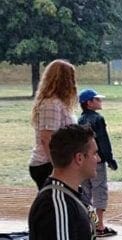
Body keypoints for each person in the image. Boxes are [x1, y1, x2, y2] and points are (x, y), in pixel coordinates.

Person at [29, 59, 78, 190]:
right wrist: (57, 166)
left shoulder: (59, 103)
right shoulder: (51, 104)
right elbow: (46, 138)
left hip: (57, 163)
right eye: (71, 77)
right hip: (47, 164)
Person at [77, 88, 118, 237]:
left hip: (83, 161)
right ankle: (100, 225)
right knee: (99, 189)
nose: (100, 102)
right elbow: (103, 140)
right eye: (97, 100)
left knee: (86, 191)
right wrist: (109, 158)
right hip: (97, 160)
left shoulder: (80, 119)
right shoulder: (98, 119)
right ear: (89, 103)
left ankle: (89, 222)